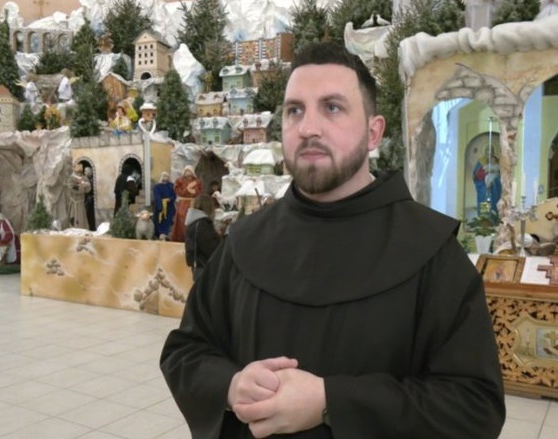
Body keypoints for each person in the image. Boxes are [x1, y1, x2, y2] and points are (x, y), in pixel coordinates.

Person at [160, 41, 505, 438]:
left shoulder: (432, 252)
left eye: (332, 107)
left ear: (373, 132)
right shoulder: (244, 242)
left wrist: (332, 402)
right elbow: (185, 352)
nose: (308, 128)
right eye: (295, 110)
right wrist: (231, 385)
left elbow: (474, 406)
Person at [184, 194, 221, 281]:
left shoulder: (192, 222)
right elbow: (211, 248)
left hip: (197, 267)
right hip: (205, 267)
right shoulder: (203, 224)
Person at [171, 165, 203, 242]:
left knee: (193, 220)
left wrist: (194, 192)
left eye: (189, 171)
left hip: (193, 203)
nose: (188, 173)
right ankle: (181, 238)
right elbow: (178, 190)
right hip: (183, 204)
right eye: (187, 171)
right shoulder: (179, 181)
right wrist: (186, 190)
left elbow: (201, 191)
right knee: (182, 220)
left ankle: (192, 238)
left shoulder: (197, 181)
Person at [153, 172, 177, 240]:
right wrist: (160, 206)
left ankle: (168, 234)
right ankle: (160, 234)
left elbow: (174, 195)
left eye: (166, 176)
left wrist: (170, 199)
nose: (165, 178)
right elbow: (157, 196)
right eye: (164, 176)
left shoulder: (172, 186)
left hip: (169, 207)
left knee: (169, 220)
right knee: (160, 220)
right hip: (160, 206)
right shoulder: (157, 187)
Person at [67, 162, 91, 229]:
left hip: (81, 202)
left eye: (81, 166)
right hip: (74, 202)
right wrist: (82, 187)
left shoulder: (84, 178)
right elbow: (71, 187)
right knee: (72, 219)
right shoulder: (71, 178)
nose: (80, 168)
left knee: (81, 219)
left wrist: (86, 185)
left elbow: (88, 189)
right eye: (78, 166)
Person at [84, 166, 96, 231]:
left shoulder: (92, 181)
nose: (85, 173)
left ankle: (91, 228)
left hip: (91, 201)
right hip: (86, 200)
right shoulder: (85, 179)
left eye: (86, 171)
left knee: (91, 215)